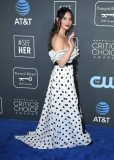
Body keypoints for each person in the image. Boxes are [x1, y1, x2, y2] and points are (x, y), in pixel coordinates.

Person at [15, 7, 92, 149]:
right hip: (61, 77)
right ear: (58, 20)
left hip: (67, 77)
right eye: (64, 18)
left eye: (70, 19)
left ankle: (71, 134)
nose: (68, 21)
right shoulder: (57, 38)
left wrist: (69, 45)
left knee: (69, 106)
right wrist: (70, 47)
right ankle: (61, 137)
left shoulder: (64, 36)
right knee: (62, 107)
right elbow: (61, 63)